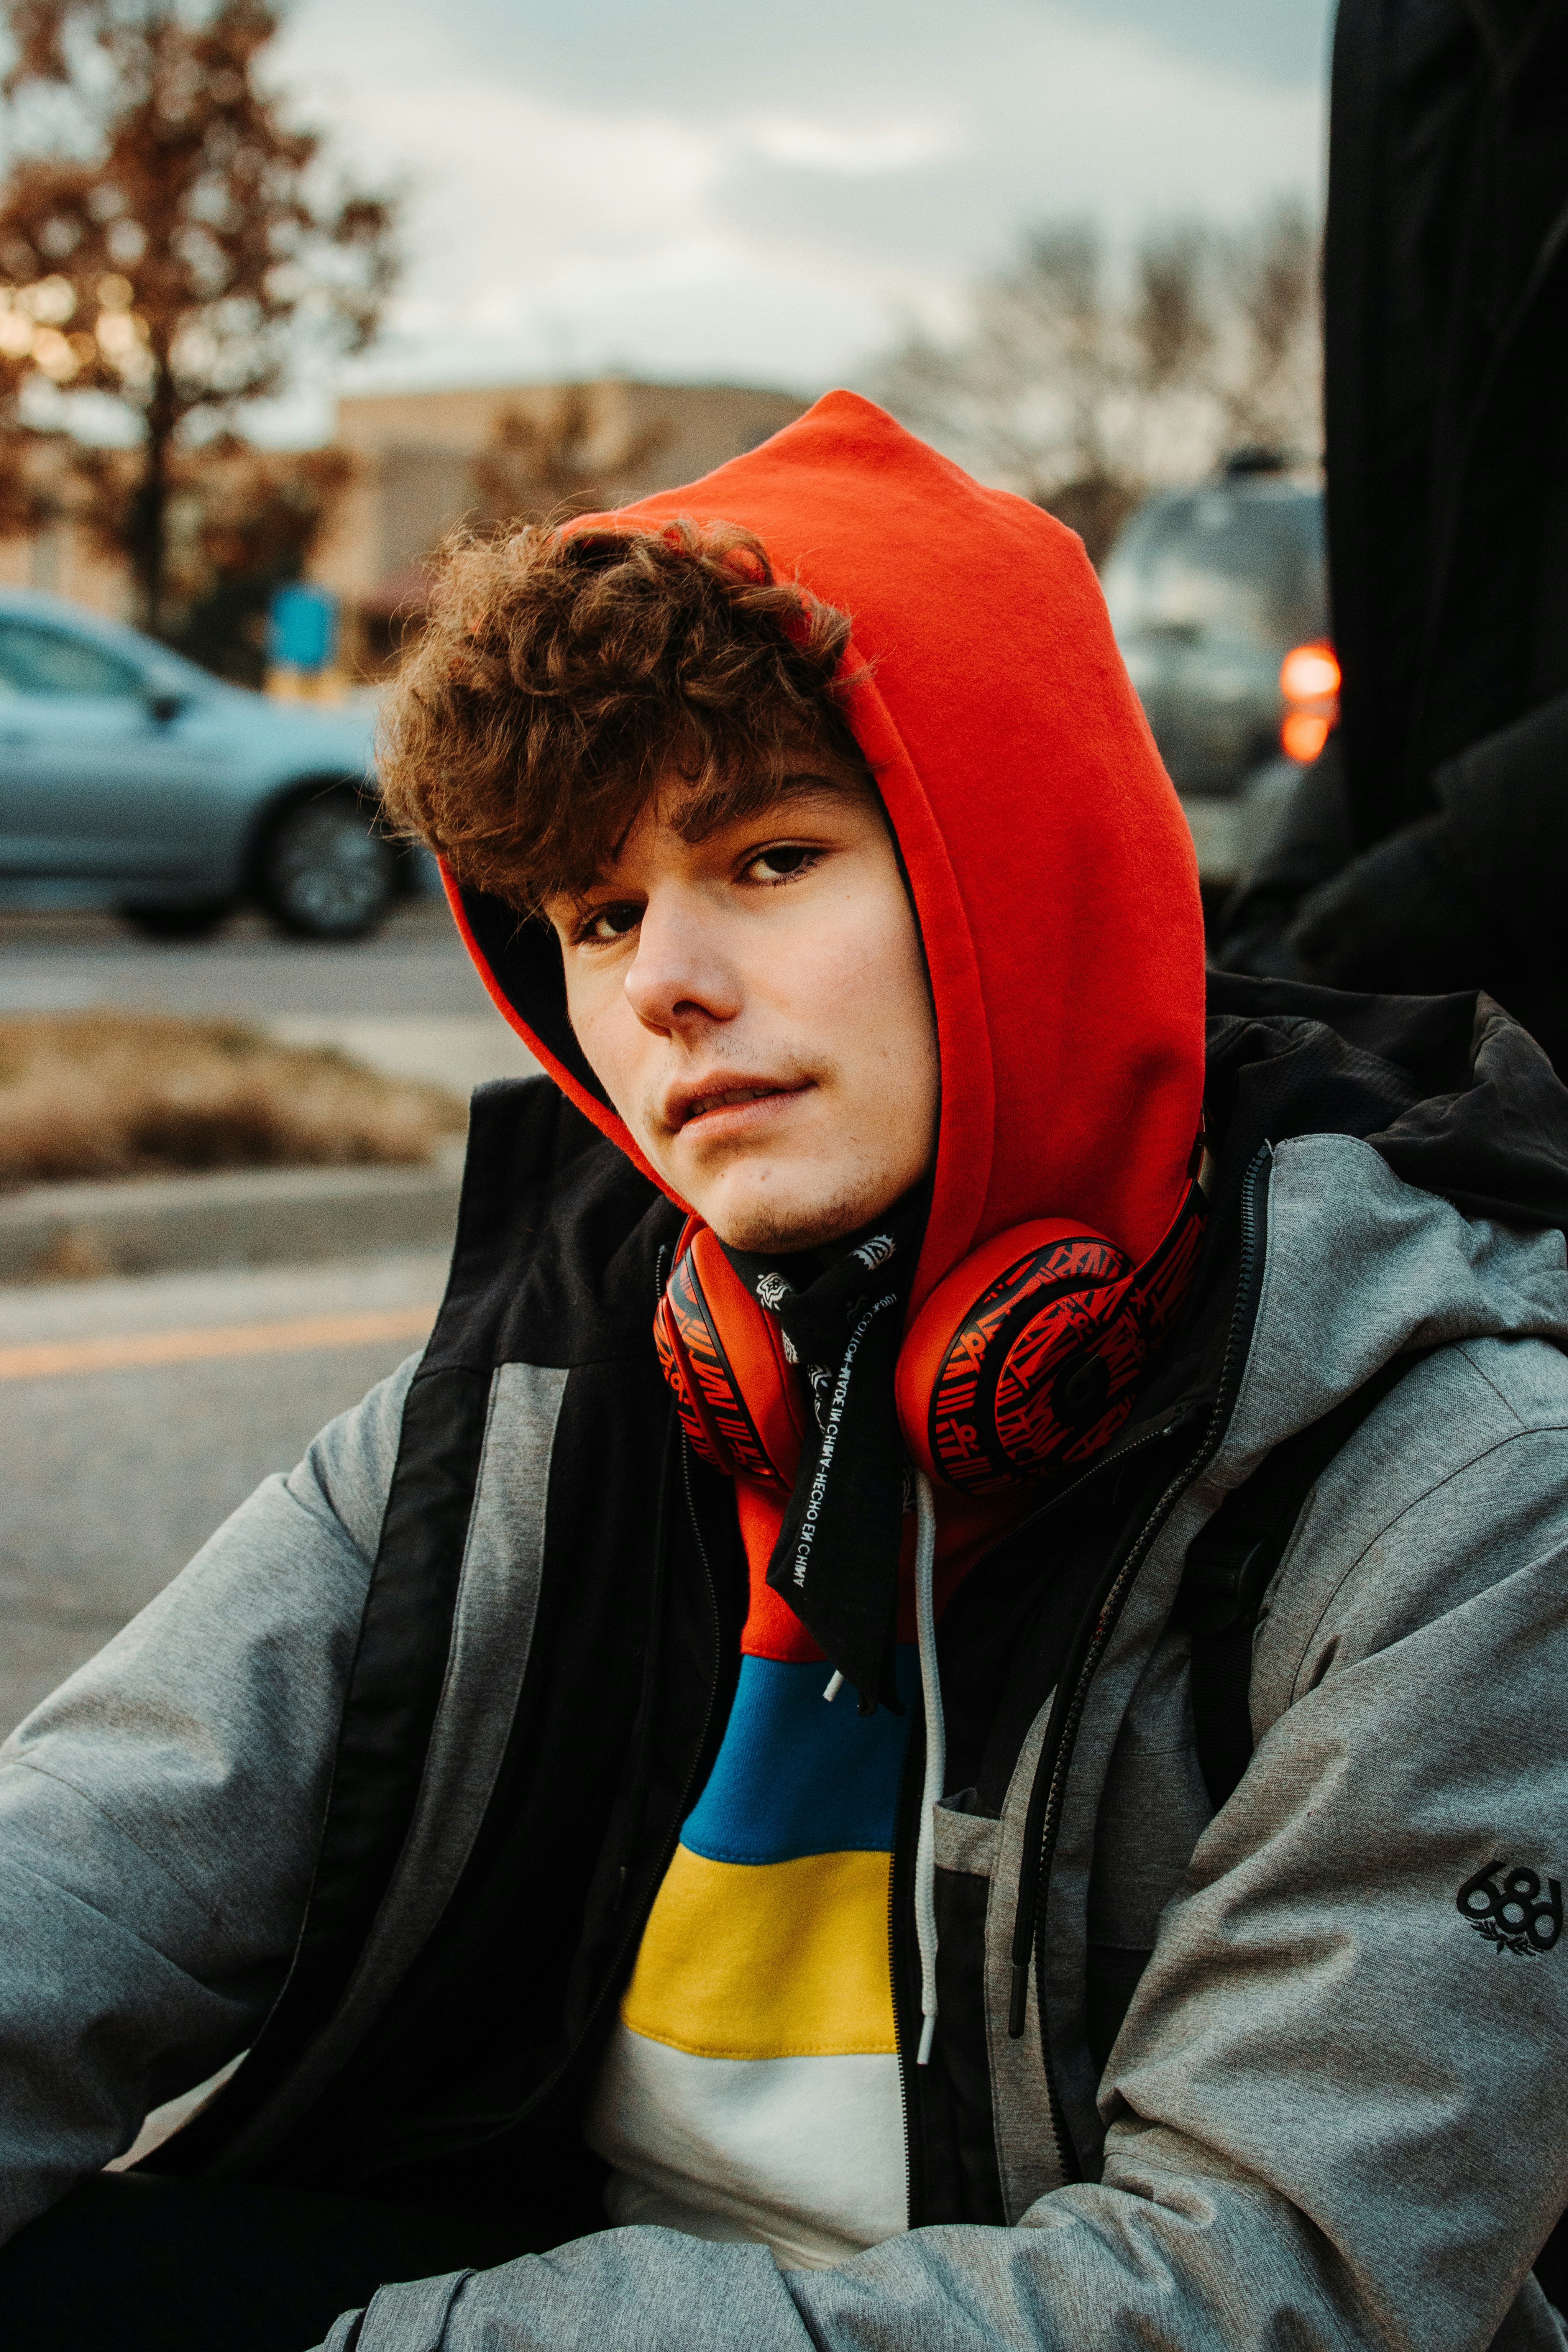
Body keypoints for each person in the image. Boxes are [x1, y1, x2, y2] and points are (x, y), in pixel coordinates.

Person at [4, 393, 1568, 2352]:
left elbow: (1284, 2292)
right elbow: (88, 1859)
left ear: (1024, 875)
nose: (660, 979)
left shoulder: (1464, 1479)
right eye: (596, 911)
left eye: (765, 858)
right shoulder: (547, 1396)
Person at [1217, 0, 1568, 1070]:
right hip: (1473, 1068)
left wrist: (1457, 870)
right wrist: (1285, 911)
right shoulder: (1414, 40)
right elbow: (1424, 593)